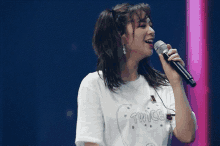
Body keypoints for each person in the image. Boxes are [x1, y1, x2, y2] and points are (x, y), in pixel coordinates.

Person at [75, 3, 197, 146]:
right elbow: (91, 142)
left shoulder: (162, 85)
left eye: (150, 25)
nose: (152, 31)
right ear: (121, 37)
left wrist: (176, 83)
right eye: (142, 26)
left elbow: (187, 136)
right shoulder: (94, 84)